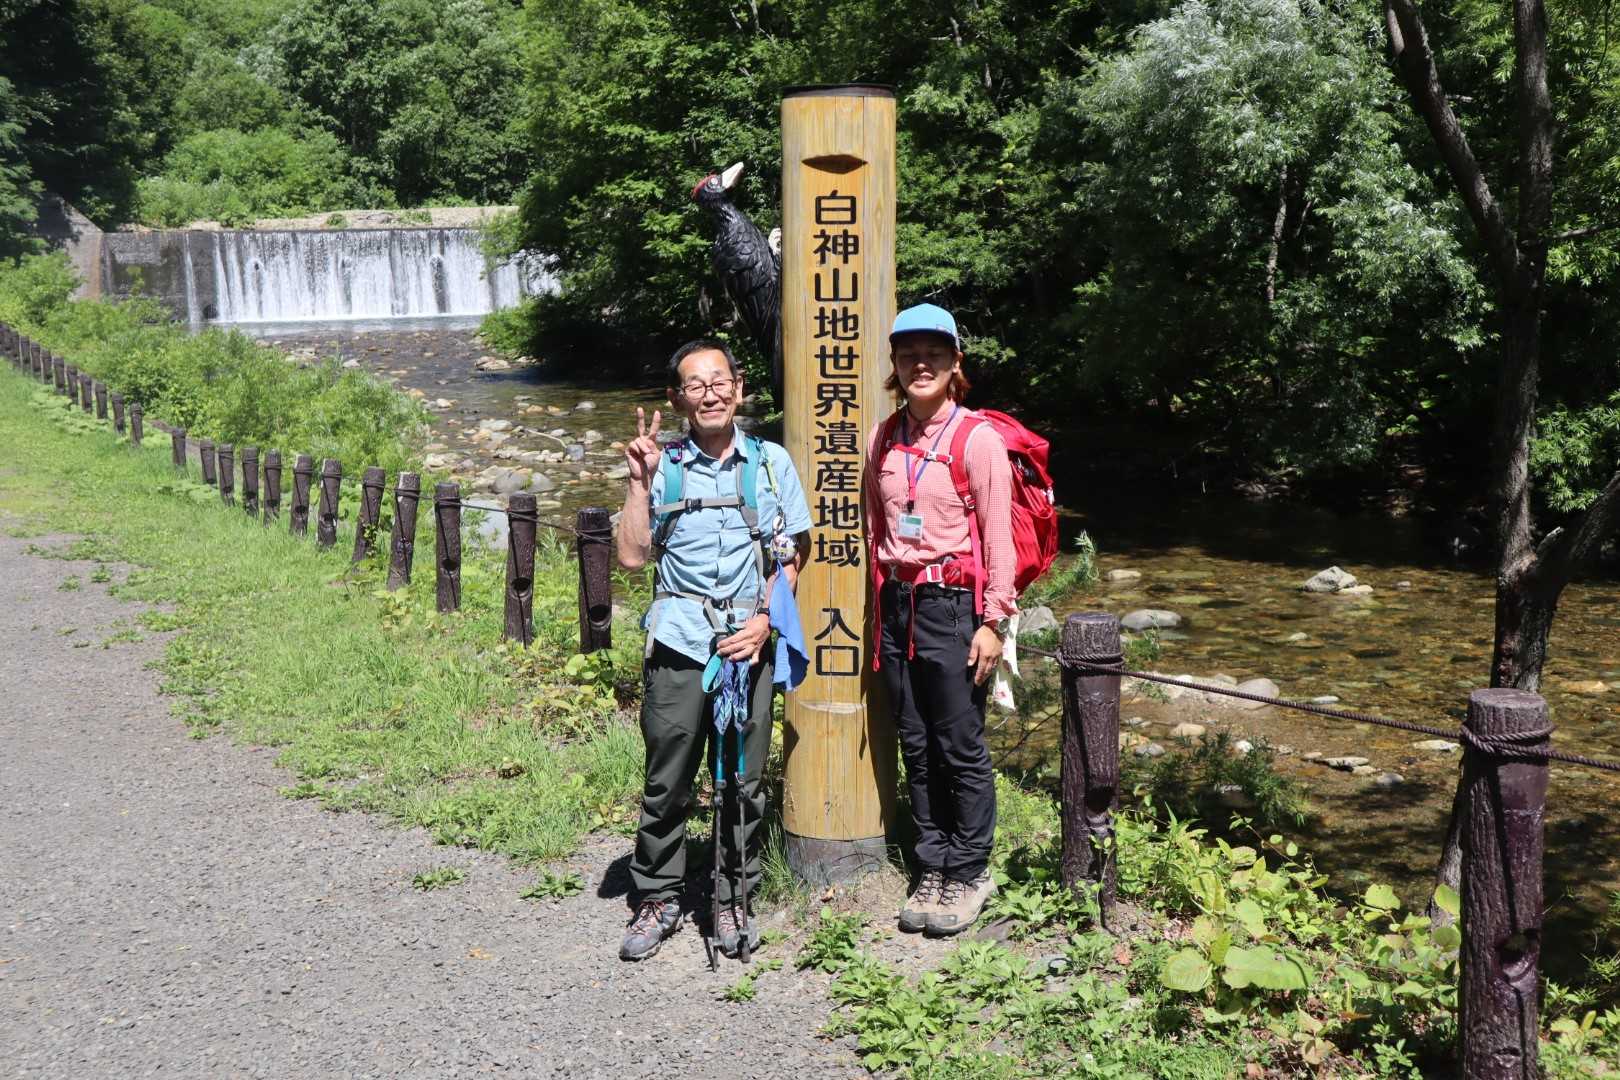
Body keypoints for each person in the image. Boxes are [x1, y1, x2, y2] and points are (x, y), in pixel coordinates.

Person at [614, 338, 811, 961]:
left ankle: (733, 896)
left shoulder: (772, 463)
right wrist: (639, 484)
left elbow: (792, 555)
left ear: (739, 388)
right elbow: (631, 556)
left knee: (742, 781)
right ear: (677, 399)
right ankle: (658, 895)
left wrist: (765, 621)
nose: (710, 393)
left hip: (747, 645)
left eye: (719, 381)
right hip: (679, 642)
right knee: (667, 777)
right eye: (695, 385)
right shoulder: (663, 464)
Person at [865, 303, 1015, 937]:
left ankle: (970, 868)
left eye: (933, 354)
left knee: (959, 744)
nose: (919, 365)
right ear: (895, 365)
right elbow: (876, 527)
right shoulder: (883, 437)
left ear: (956, 363)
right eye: (908, 355)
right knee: (916, 743)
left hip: (953, 609)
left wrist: (993, 622)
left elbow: (999, 536)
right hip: (898, 605)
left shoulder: (976, 439)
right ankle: (932, 863)